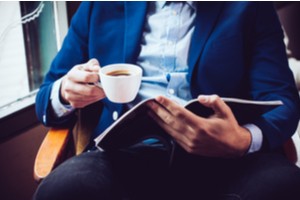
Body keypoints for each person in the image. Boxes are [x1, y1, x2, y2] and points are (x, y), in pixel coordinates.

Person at [33, 2, 300, 200]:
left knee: (284, 186)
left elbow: (283, 100)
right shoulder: (98, 6)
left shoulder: (251, 6)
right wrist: (65, 92)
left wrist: (241, 140)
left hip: (224, 159)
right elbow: (46, 100)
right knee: (63, 192)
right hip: (121, 157)